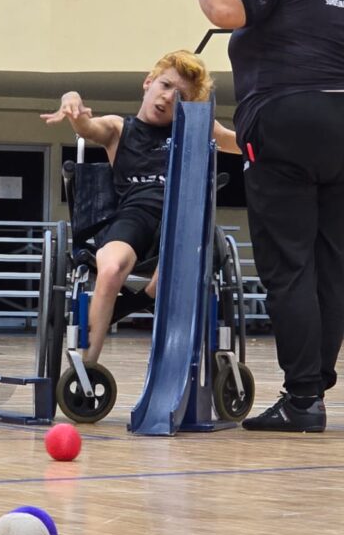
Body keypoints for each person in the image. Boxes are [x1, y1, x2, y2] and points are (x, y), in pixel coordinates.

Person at [189, 0, 344, 433]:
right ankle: (314, 384)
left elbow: (224, 9)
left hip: (290, 121)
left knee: (289, 265)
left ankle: (302, 398)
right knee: (329, 262)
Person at [41, 50, 240, 369]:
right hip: (135, 214)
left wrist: (269, 127)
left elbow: (239, 142)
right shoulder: (119, 129)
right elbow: (87, 128)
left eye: (181, 96)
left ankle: (142, 298)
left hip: (182, 216)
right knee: (109, 268)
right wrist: (72, 100)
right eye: (165, 85)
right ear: (148, 83)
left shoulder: (195, 128)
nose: (168, 97)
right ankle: (87, 368)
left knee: (186, 252)